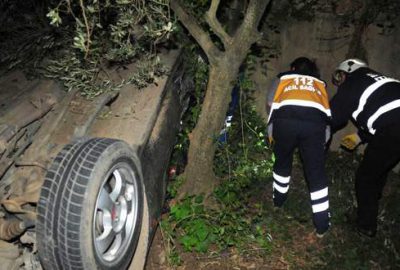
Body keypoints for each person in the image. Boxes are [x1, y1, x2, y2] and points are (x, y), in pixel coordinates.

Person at [330, 58, 400, 237]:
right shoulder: (381, 80)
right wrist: (360, 136)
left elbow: (333, 117)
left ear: (348, 71)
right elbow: (384, 112)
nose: (340, 82)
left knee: (365, 177)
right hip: (392, 128)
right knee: (379, 169)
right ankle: (372, 205)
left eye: (340, 76)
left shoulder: (354, 80)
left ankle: (366, 225)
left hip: (393, 128)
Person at [267, 57, 331, 237]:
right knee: (316, 172)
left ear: (293, 68)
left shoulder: (283, 78)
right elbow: (325, 111)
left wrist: (271, 132)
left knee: (282, 162)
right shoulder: (320, 84)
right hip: (314, 125)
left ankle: (278, 202)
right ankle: (322, 225)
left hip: (285, 122)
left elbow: (271, 104)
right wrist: (324, 140)